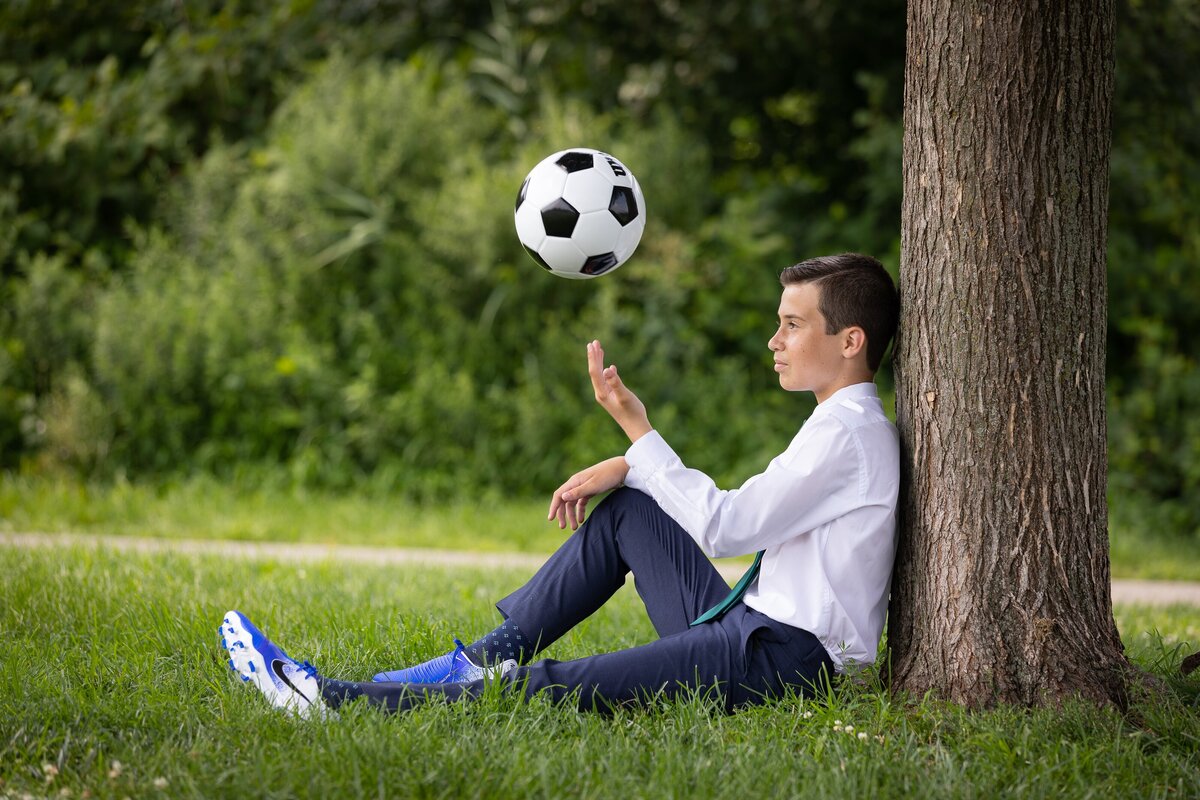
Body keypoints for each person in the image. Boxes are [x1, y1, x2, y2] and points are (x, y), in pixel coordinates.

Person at [218, 252, 901, 718]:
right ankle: (478, 662)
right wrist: (634, 468)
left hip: (786, 664)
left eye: (792, 324)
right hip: (752, 631)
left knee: (556, 685)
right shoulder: (836, 423)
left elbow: (729, 527)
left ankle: (329, 703)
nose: (774, 340)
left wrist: (638, 435)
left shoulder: (848, 433)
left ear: (850, 341)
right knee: (632, 512)